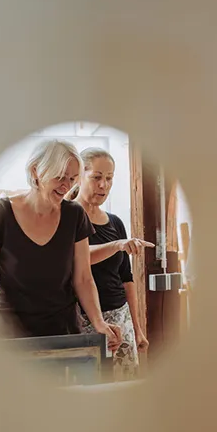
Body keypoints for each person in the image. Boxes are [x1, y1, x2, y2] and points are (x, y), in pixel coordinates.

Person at [0, 139, 121, 353]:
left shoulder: (74, 215)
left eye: (72, 179)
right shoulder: (0, 212)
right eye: (60, 177)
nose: (67, 186)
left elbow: (83, 278)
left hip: (64, 334)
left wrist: (99, 322)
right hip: (10, 337)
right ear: (36, 171)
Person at [68, 148, 152, 380]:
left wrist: (137, 328)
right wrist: (117, 245)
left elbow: (127, 279)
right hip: (83, 320)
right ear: (79, 177)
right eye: (96, 177)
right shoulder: (66, 217)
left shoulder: (115, 222)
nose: (103, 185)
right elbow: (76, 258)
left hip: (121, 319)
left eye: (109, 178)